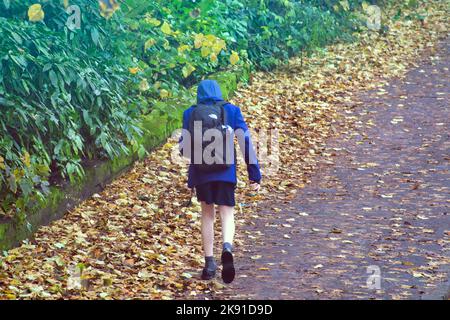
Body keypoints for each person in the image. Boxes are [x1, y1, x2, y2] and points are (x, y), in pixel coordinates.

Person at [179, 79, 261, 283]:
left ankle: (209, 264)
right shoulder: (231, 110)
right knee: (227, 211)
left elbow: (183, 149)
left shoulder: (190, 113)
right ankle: (227, 246)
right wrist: (254, 173)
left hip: (201, 172)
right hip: (225, 171)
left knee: (207, 214)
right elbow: (245, 140)